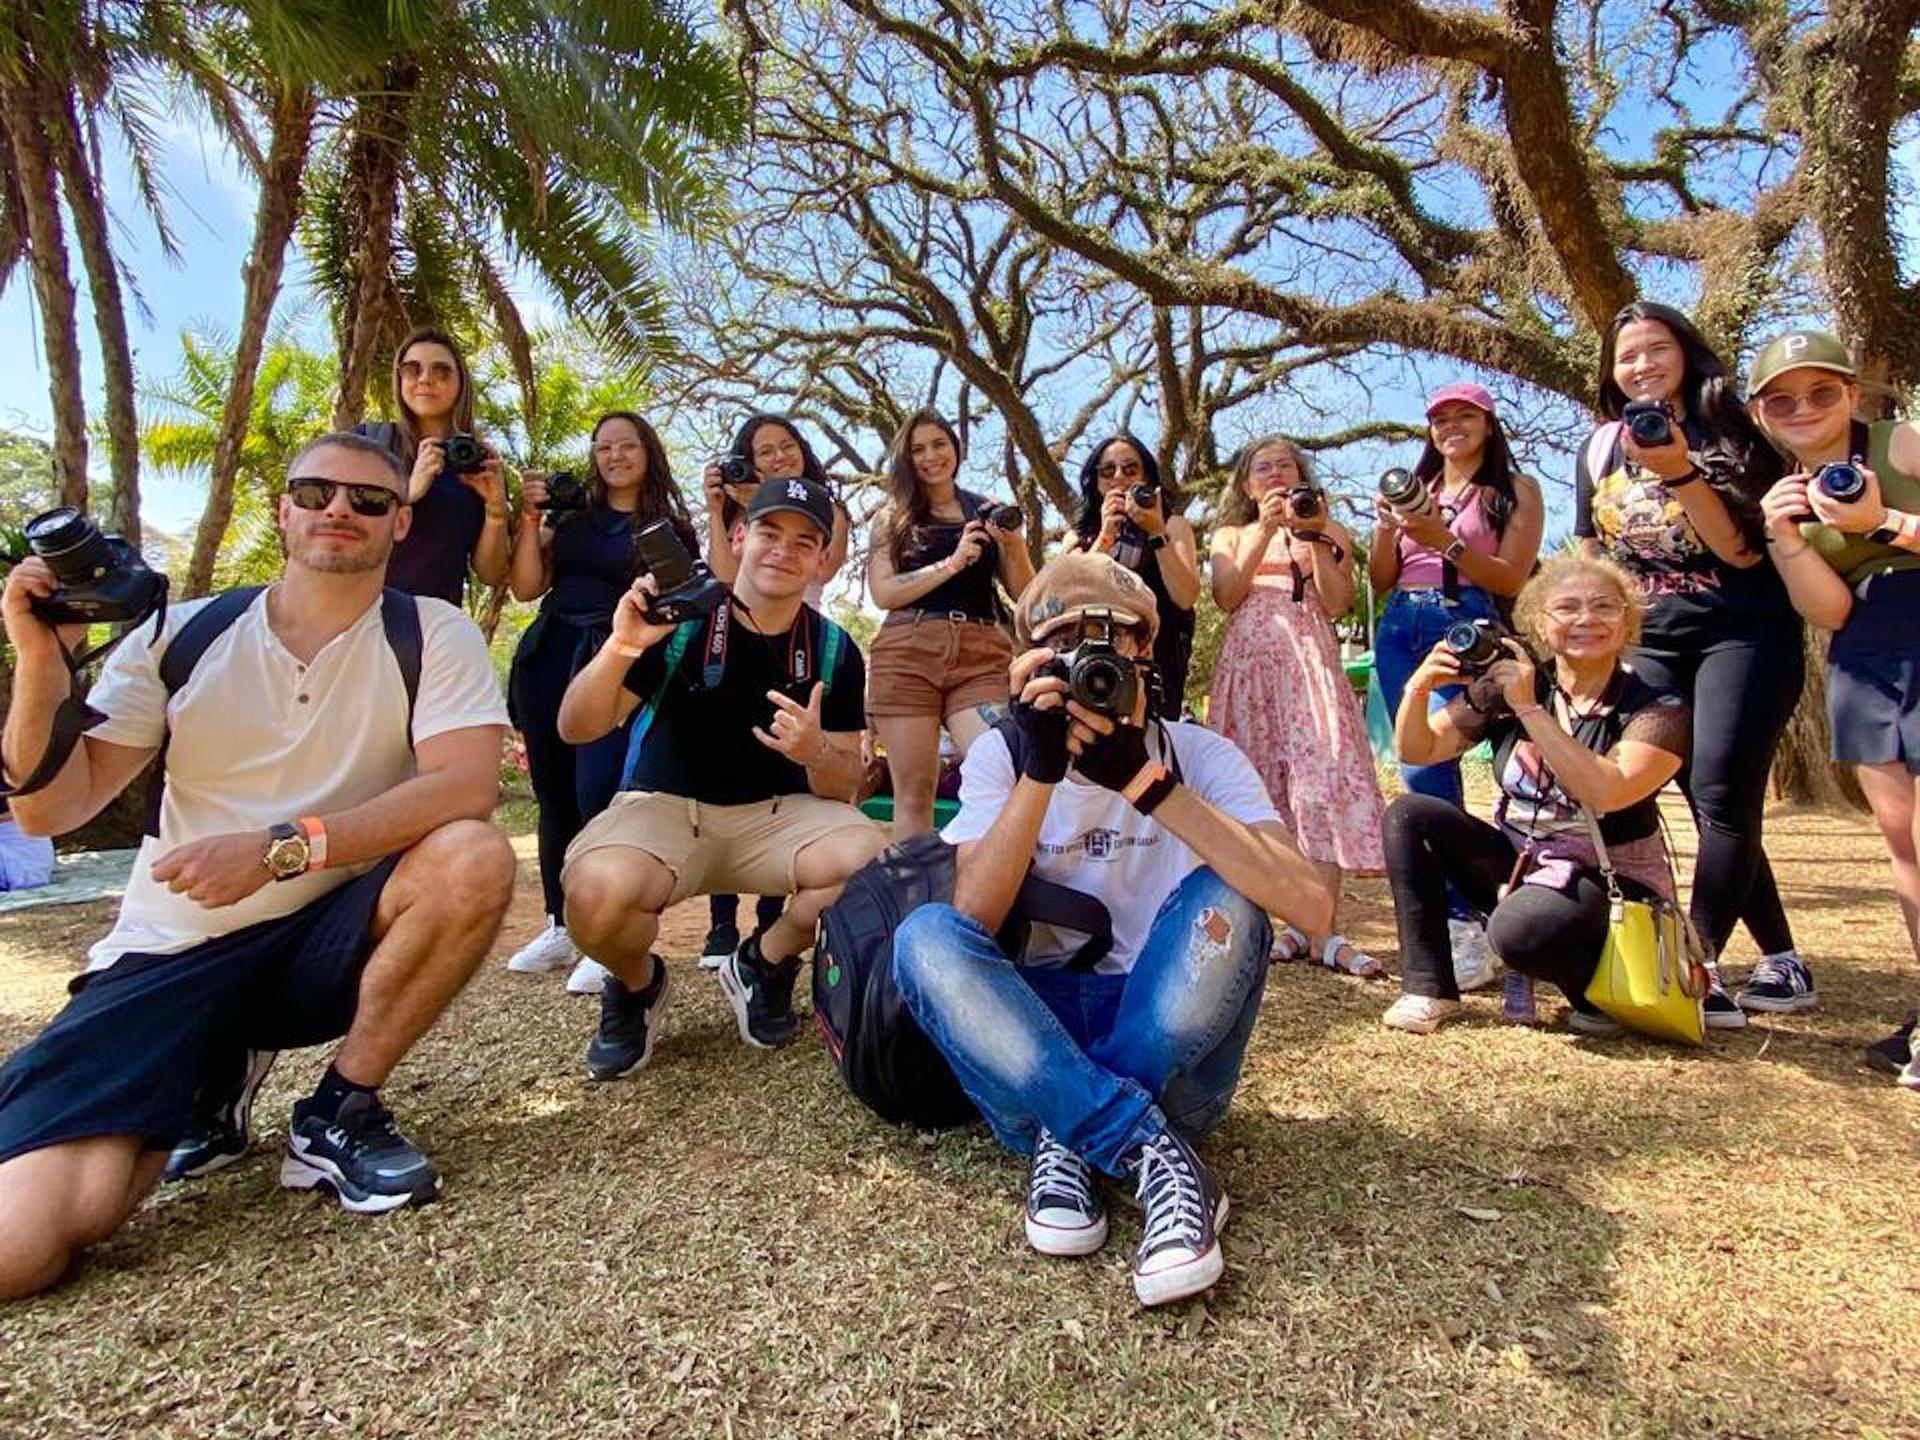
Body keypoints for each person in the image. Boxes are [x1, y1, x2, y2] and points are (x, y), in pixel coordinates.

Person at [0, 433, 515, 1301]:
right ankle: (212, 1076)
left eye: (368, 500)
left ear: (399, 524)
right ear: (283, 510)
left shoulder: (433, 631)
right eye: (315, 493)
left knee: (473, 858)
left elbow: (463, 787)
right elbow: (49, 808)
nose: (338, 512)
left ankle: (337, 1111)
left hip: (322, 939)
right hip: (172, 952)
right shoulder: (185, 631)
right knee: (26, 1243)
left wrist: (282, 849)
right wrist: (42, 659)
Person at [891, 552, 1334, 1308]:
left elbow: (1310, 907)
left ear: (1144, 654)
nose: (1092, 658)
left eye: (1112, 639)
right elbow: (975, 921)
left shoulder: (1197, 754)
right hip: (1038, 1034)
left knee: (1238, 882)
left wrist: (1147, 782)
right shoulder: (1004, 754)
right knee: (925, 936)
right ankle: (1149, 1150)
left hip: (1164, 1031)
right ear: (1036, 662)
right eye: (1068, 640)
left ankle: (1073, 1130)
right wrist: (1038, 771)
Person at [557, 476, 885, 1077]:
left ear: (822, 559)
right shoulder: (679, 620)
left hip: (775, 820)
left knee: (871, 865)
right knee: (594, 895)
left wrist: (815, 751)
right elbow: (576, 726)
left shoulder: (837, 648)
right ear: (739, 536)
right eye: (769, 532)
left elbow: (844, 789)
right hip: (665, 811)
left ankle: (762, 960)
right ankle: (637, 984)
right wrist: (622, 647)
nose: (784, 551)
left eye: (804, 541)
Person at [1575, 301, 1805, 1027]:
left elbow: (1740, 549)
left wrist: (1679, 469)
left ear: (1687, 352)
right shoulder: (1601, 446)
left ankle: (1694, 969)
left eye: (1655, 349)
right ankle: (1784, 957)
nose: (1641, 365)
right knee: (1680, 792)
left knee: (1723, 792)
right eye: (1627, 356)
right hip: (1653, 637)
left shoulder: (1734, 427)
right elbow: (1591, 549)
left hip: (1744, 631)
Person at [1381, 553, 1689, 1035]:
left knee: (1515, 931)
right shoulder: (1517, 683)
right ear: (1539, 624)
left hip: (1610, 881)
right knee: (1410, 815)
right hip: (1524, 863)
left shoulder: (1655, 702)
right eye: (1567, 608)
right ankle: (1428, 987)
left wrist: (1528, 710)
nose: (1586, 620)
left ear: (1627, 621)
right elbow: (1419, 750)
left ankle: (1596, 989)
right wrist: (1419, 688)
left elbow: (1606, 792)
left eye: (1604, 607)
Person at [1748, 329, 1920, 1088]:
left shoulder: (1902, 446)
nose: (1804, 408)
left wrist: (1878, 524)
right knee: (1902, 838)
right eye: (1782, 398)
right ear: (1761, 414)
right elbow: (1831, 613)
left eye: (1822, 391)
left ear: (1852, 393)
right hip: (1868, 647)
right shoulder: (1791, 493)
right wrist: (1783, 534)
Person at [500, 411, 699, 994]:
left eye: (627, 446)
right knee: (554, 794)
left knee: (600, 792)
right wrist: (530, 519)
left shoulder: (668, 527)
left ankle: (603, 933)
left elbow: (679, 602)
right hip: (550, 650)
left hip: (614, 658)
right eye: (603, 447)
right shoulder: (571, 517)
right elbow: (526, 586)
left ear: (648, 452)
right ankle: (561, 924)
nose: (614, 456)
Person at [1370, 384, 1546, 995]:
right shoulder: (1419, 486)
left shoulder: (1515, 491)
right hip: (1400, 623)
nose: (1451, 427)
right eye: (1439, 419)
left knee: (1501, 761)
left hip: (1468, 617)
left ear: (1490, 423)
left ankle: (1516, 901)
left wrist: (1440, 535)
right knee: (1420, 767)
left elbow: (1512, 576)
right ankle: (1459, 923)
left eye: (1464, 416)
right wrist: (1387, 528)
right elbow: (1381, 576)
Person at [1209, 435, 1387, 974]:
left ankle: (1321, 928)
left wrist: (1312, 537)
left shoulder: (1326, 527)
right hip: (1250, 669)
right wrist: (1265, 530)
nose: (1275, 473)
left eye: (1285, 464)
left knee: (1320, 780)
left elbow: (1337, 602)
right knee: (1259, 785)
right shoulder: (1231, 533)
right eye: (1262, 467)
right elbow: (1225, 596)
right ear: (1245, 483)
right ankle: (1279, 921)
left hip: (1309, 661)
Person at [698, 413, 853, 966]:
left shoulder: (827, 508)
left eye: (787, 446)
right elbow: (719, 574)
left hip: (800, 649)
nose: (777, 456)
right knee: (718, 771)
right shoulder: (739, 514)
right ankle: (719, 924)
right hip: (728, 643)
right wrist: (724, 508)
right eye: (764, 451)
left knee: (781, 780)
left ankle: (768, 922)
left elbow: (825, 572)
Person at [866, 410, 1035, 837]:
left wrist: (1013, 546)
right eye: (917, 449)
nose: (930, 457)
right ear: (906, 459)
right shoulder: (893, 516)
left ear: (956, 449)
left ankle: (990, 890)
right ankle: (914, 898)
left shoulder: (986, 509)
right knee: (914, 793)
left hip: (980, 652)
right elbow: (883, 592)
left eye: (939, 444)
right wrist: (952, 563)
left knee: (999, 768)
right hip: (909, 648)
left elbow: (1026, 595)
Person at [352, 328, 513, 607]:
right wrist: (407, 494)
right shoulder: (368, 443)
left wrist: (496, 512)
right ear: (399, 379)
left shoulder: (478, 462)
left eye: (441, 371)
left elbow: (491, 574)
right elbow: (339, 529)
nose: (425, 379)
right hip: (358, 612)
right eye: (412, 369)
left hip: (431, 628)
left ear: (460, 384)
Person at [1065, 434, 1202, 710]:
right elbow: (1067, 598)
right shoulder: (1077, 538)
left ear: (1147, 477)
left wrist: (1155, 532)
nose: (1118, 477)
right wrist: (1105, 537)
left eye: (1130, 469)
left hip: (1155, 661)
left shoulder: (1173, 526)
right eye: (1107, 471)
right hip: (1089, 660)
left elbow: (1185, 597)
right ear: (1096, 480)